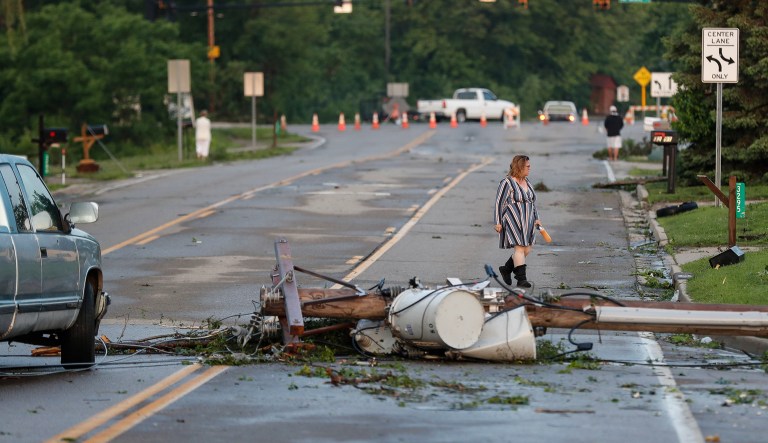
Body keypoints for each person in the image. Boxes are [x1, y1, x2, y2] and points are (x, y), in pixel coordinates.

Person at [493, 155, 541, 288]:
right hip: (513, 220)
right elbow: (499, 203)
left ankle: (507, 269)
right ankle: (521, 279)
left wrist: (537, 218)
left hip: (529, 221)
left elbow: (532, 202)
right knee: (519, 249)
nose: (529, 168)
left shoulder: (528, 182)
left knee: (527, 249)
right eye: (527, 166)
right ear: (520, 166)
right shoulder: (506, 183)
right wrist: (498, 222)